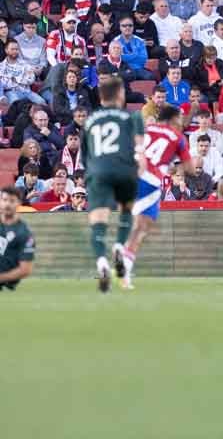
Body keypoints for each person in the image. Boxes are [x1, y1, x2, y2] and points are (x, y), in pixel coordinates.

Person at [82, 76, 145, 294]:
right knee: (127, 209)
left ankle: (101, 262)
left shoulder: (89, 121)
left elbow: (85, 155)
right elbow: (139, 147)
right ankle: (119, 247)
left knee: (98, 221)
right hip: (125, 170)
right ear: (120, 94)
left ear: (100, 96)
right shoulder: (132, 116)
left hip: (99, 171)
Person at [118, 104, 191, 289]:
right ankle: (123, 262)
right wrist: (177, 166)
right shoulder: (178, 137)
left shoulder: (146, 129)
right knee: (141, 228)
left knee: (136, 224)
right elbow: (190, 168)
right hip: (149, 181)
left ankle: (123, 262)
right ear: (173, 119)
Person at [0, 186, 35, 289]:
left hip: (7, 285)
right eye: (4, 200)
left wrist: (2, 278)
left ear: (19, 203)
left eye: (12, 201)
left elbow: (25, 269)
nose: (7, 204)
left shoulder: (24, 233)